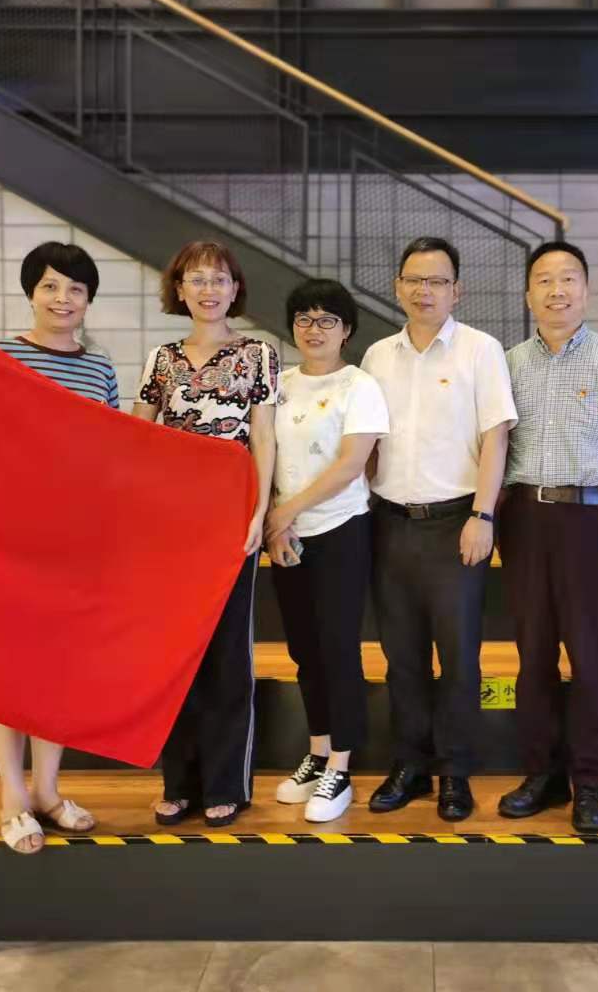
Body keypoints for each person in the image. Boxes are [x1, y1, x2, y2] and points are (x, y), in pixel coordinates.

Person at [497, 240, 598, 834]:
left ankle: (590, 782)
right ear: (527, 294)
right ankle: (541, 774)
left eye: (568, 279)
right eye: (544, 280)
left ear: (586, 290)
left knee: (591, 658)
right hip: (524, 518)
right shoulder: (507, 363)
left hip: (592, 519)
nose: (556, 290)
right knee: (532, 654)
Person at [360, 237, 517, 823]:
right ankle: (409, 765)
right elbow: (365, 445)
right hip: (389, 524)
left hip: (456, 524)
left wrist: (483, 515)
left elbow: (496, 439)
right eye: (414, 280)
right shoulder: (377, 356)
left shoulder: (481, 350)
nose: (423, 291)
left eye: (436, 281)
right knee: (401, 657)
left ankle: (454, 771)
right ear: (397, 287)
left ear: (457, 290)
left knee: (458, 658)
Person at [133, 240, 277, 829]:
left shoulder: (258, 354)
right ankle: (179, 782)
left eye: (219, 279)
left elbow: (263, 437)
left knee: (227, 655)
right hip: (171, 526)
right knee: (175, 655)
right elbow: (138, 440)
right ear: (180, 289)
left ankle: (226, 784)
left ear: (235, 289)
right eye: (196, 279)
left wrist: (258, 511)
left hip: (230, 519)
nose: (208, 289)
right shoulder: (161, 359)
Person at [0, 241, 117, 854]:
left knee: (59, 672)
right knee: (4, 671)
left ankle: (47, 790)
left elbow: (112, 455)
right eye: (50, 286)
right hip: (9, 540)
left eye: (75, 289)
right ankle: (12, 798)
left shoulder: (100, 369)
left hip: (75, 542)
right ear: (30, 292)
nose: (62, 299)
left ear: (88, 300)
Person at [264, 278, 389, 824]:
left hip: (340, 529)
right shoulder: (278, 384)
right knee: (305, 650)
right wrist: (276, 524)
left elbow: (350, 464)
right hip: (285, 533)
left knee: (338, 649)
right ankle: (317, 754)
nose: (314, 329)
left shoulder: (359, 385)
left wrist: (286, 512)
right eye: (304, 319)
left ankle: (341, 764)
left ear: (347, 330)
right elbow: (265, 454)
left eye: (327, 320)